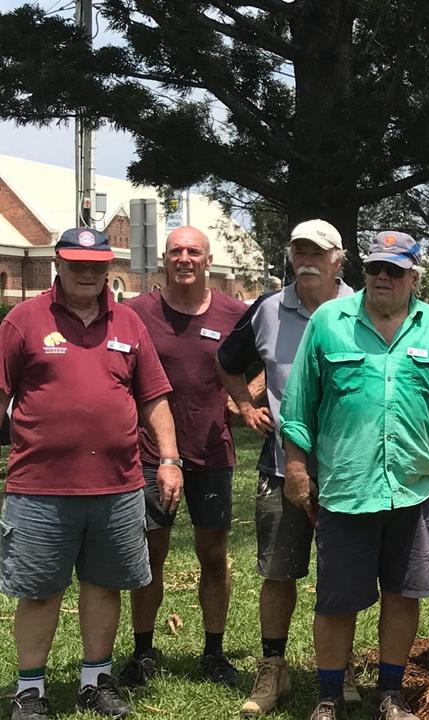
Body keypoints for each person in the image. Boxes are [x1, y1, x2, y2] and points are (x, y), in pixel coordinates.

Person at [280, 231, 429, 720]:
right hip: (347, 490)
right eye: (374, 269)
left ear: (414, 276)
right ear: (362, 273)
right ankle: (328, 696)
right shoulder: (329, 323)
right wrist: (297, 467)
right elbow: (299, 407)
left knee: (404, 594)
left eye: (393, 269)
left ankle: (390, 692)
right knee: (336, 600)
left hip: (417, 489)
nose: (382, 277)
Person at [2, 228, 180, 720]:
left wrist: (168, 459)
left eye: (97, 263)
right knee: (40, 591)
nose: (87, 271)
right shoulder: (23, 320)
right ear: (58, 263)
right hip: (40, 488)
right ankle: (30, 691)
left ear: (108, 266)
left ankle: (94, 681)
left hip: (118, 487)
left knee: (103, 586)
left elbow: (153, 397)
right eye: (77, 262)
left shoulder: (128, 323)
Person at [214, 219, 356, 716]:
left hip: (349, 471)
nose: (306, 259)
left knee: (343, 572)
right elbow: (227, 360)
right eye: (299, 250)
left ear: (339, 259)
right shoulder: (268, 310)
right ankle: (274, 669)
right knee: (278, 572)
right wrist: (245, 405)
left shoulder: (364, 310)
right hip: (280, 467)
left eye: (317, 251)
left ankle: (344, 667)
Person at [117, 226, 248, 688]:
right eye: (176, 251)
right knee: (150, 553)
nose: (184, 258)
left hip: (212, 451)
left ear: (209, 259)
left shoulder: (237, 313)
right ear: (164, 260)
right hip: (150, 454)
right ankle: (143, 650)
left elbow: (272, 361)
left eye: (194, 251)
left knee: (213, 555)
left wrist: (245, 398)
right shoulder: (135, 313)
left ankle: (214, 652)